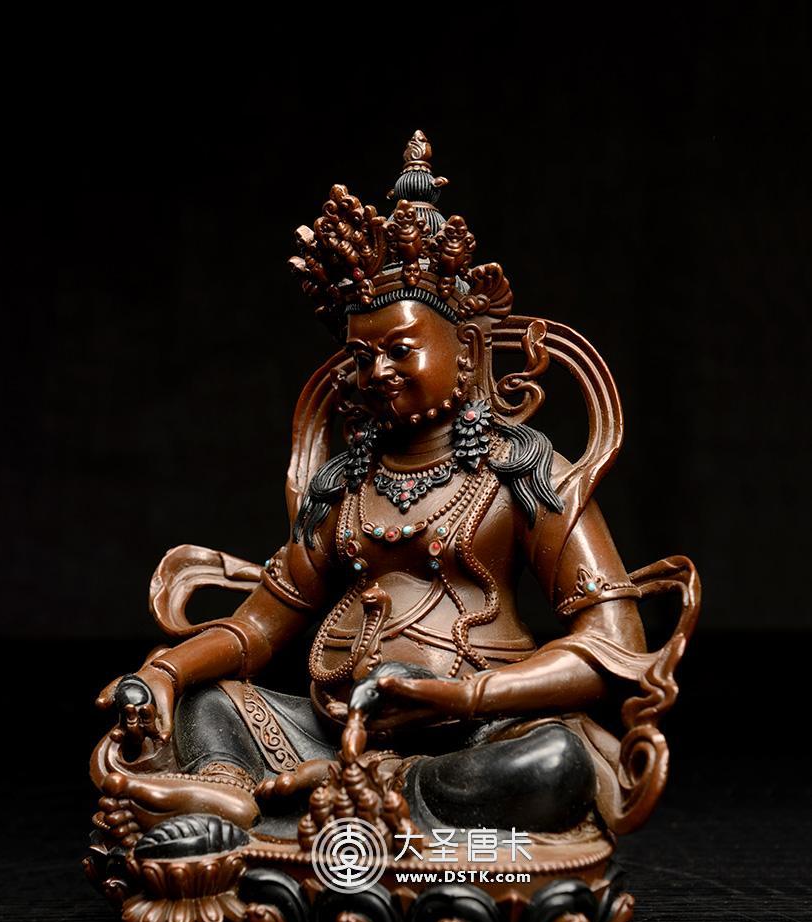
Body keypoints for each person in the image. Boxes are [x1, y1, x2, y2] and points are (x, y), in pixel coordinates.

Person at [93, 132, 657, 853]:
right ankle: (236, 797)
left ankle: (347, 798)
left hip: (480, 731)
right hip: (330, 730)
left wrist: (465, 695)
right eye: (361, 357)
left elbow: (615, 644)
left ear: (467, 352)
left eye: (400, 349)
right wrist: (165, 672)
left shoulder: (526, 470)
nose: (377, 372)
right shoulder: (344, 485)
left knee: (552, 763)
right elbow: (259, 628)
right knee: (210, 706)